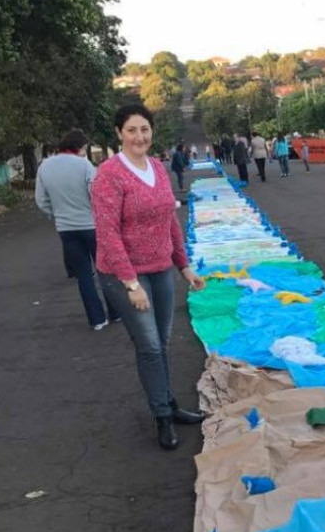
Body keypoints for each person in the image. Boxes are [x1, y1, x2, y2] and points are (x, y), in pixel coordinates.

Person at [91, 103, 206, 450]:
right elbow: (107, 233)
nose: (139, 136)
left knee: (163, 343)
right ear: (118, 134)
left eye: (144, 129)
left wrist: (183, 266)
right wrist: (130, 282)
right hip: (124, 275)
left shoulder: (156, 166)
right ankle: (162, 415)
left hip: (159, 270)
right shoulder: (109, 175)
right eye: (131, 130)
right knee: (150, 347)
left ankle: (168, 402)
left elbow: (169, 219)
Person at [35, 129, 120, 330]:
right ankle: (115, 312)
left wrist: (56, 213)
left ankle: (97, 319)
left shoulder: (44, 166)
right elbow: (96, 193)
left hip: (66, 228)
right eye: (84, 148)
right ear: (79, 146)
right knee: (105, 271)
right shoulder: (84, 165)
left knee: (83, 274)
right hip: (91, 225)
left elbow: (40, 200)